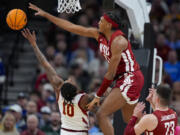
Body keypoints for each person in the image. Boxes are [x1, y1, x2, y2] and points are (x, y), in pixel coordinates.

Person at [28, 3, 144, 135]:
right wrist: (47, 15)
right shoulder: (97, 34)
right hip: (123, 79)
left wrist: (99, 95)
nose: (98, 22)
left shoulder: (118, 42)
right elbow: (72, 27)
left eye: (101, 20)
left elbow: (110, 74)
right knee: (129, 120)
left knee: (101, 114)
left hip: (130, 77)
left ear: (109, 25)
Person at [21, 28, 93, 135]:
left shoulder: (60, 94)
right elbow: (98, 99)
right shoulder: (83, 98)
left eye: (68, 80)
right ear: (76, 88)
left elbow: (46, 65)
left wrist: (34, 45)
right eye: (69, 80)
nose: (68, 79)